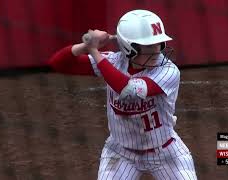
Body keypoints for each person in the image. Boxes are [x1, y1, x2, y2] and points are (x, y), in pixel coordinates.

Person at [48, 9, 197, 180]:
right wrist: (85, 45)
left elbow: (128, 90)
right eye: (149, 46)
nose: (157, 51)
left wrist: (94, 51)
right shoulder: (113, 62)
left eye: (159, 44)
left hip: (165, 152)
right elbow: (58, 63)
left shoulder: (168, 71)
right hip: (121, 153)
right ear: (129, 49)